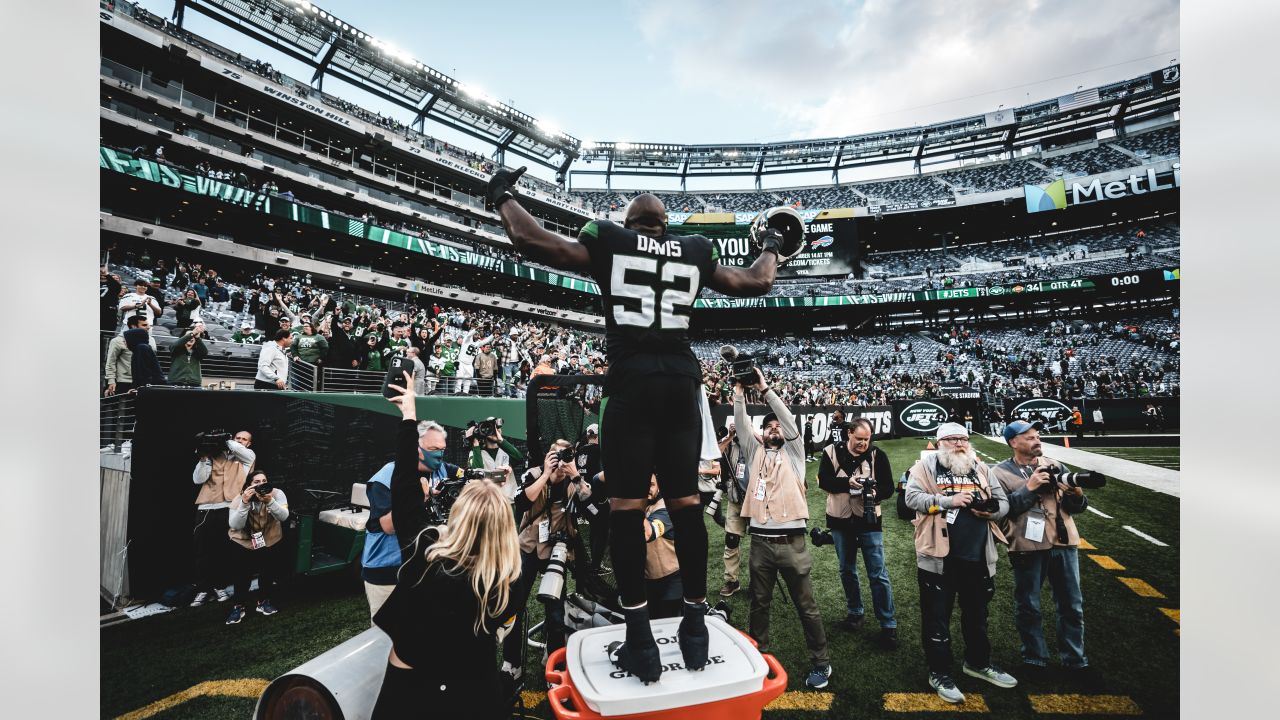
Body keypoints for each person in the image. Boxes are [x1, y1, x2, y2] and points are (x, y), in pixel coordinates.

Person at [490, 171, 781, 683]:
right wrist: (773, 245)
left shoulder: (611, 237)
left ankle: (640, 635)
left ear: (630, 223)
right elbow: (756, 281)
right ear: (665, 226)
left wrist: (501, 196)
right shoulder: (692, 247)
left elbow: (530, 239)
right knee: (687, 506)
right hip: (681, 384)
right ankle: (695, 623)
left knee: (626, 512)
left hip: (631, 383)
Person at [371, 373, 521, 720]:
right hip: (476, 690)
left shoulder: (426, 553)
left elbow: (405, 487)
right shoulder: (509, 578)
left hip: (410, 691)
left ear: (459, 516)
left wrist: (409, 415)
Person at [734, 368, 833, 690]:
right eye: (769, 427)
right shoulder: (754, 452)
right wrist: (738, 392)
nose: (775, 428)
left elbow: (788, 421)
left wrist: (763, 389)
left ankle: (821, 662)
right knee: (759, 604)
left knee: (807, 605)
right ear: (761, 434)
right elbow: (740, 422)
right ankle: (757, 657)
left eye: (778, 426)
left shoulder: (795, 453)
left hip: (792, 542)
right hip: (761, 543)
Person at [904, 423, 1016, 704]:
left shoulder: (979, 466)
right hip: (939, 558)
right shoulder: (925, 467)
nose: (959, 444)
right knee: (936, 620)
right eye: (952, 439)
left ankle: (977, 662)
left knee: (977, 616)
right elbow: (911, 499)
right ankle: (939, 672)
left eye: (963, 438)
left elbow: (1003, 503)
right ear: (940, 442)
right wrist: (948, 501)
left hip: (978, 557)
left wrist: (989, 511)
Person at [992, 421, 1097, 685]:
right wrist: (1029, 487)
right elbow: (1004, 510)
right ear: (1013, 442)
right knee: (1029, 606)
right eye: (1029, 437)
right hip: (1027, 544)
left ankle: (1075, 660)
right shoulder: (999, 472)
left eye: (1037, 436)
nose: (1036, 441)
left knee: (1072, 606)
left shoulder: (1056, 466)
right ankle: (1034, 659)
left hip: (1064, 542)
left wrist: (1076, 491)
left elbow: (1077, 507)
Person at [500, 439, 591, 688]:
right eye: (554, 454)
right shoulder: (534, 474)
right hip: (529, 546)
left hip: (557, 549)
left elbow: (591, 506)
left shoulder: (573, 481)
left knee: (555, 611)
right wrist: (546, 474)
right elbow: (522, 503)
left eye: (564, 454)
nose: (559, 459)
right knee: (514, 606)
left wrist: (574, 475)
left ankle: (554, 662)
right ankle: (512, 663)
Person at [816, 417, 898, 649]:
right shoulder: (831, 451)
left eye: (867, 439)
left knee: (878, 573)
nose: (863, 443)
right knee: (846, 569)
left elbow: (889, 487)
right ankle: (855, 612)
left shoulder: (877, 455)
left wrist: (872, 492)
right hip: (840, 520)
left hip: (869, 520)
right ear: (849, 433)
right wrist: (848, 484)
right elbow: (824, 481)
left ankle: (888, 623)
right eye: (859, 438)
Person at [191, 431, 256, 607]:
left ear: (249, 444)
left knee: (223, 550)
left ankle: (220, 587)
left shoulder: (247, 456)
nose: (240, 440)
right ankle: (203, 589)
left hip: (230, 508)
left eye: (244, 439)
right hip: (207, 507)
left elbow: (237, 449)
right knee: (203, 551)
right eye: (238, 437)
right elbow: (198, 479)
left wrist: (225, 440)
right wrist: (204, 457)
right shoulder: (213, 454)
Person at [224, 470, 290, 624]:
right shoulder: (239, 499)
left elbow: (284, 516)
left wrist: (270, 501)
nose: (261, 485)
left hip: (268, 538)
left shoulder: (277, 494)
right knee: (242, 575)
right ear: (249, 485)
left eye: (264, 481)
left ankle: (263, 602)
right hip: (243, 541)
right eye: (256, 482)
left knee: (267, 571)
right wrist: (245, 503)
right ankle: (238, 606)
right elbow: (235, 525)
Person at [717, 418, 750, 598]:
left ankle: (760, 582)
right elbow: (716, 451)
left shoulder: (755, 443)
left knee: (762, 544)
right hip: (735, 500)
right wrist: (730, 436)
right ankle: (732, 581)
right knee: (731, 539)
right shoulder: (732, 444)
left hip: (756, 502)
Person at [573, 424, 609, 572]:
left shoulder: (580, 450)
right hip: (594, 498)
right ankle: (595, 566)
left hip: (582, 498)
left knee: (596, 526)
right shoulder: (599, 451)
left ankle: (594, 563)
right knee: (601, 529)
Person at [468, 418, 523, 506]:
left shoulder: (506, 449)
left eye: (496, 426)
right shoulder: (476, 452)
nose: (495, 429)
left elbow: (519, 459)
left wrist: (500, 440)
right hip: (488, 503)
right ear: (482, 430)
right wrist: (475, 443)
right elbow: (476, 473)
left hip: (509, 503)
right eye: (490, 427)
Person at [104, 315, 154, 396]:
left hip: (143, 383)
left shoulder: (151, 340)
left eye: (148, 325)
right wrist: (111, 381)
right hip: (123, 382)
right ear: (133, 326)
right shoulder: (117, 341)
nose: (148, 327)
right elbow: (110, 362)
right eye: (144, 325)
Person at [125, 320, 166, 389]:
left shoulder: (142, 348)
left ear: (133, 339)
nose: (124, 341)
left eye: (126, 339)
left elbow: (144, 373)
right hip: (148, 386)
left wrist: (136, 388)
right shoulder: (140, 348)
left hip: (150, 387)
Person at [168, 323, 209, 388]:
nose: (191, 337)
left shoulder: (198, 351)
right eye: (188, 336)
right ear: (183, 337)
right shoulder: (176, 349)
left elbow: (205, 352)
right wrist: (192, 333)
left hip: (194, 383)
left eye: (193, 336)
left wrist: (198, 337)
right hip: (176, 382)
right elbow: (174, 346)